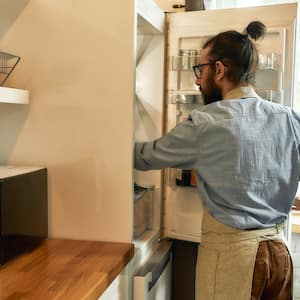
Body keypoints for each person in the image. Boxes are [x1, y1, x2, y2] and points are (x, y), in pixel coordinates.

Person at [135, 20, 299, 300]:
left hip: (235, 259)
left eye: (200, 70)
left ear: (219, 69)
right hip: (280, 253)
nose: (198, 80)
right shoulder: (289, 117)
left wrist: (109, 144)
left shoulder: (206, 123)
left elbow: (147, 157)